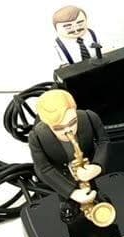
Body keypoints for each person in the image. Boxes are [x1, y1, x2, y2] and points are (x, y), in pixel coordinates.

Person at [29, 89, 109, 226]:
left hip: (88, 169)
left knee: (96, 190)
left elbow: (104, 141)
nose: (68, 130)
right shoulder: (36, 136)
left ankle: (95, 195)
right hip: (62, 175)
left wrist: (97, 166)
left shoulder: (89, 117)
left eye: (73, 122)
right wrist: (71, 192)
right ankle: (68, 202)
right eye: (59, 128)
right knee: (67, 203)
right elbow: (43, 168)